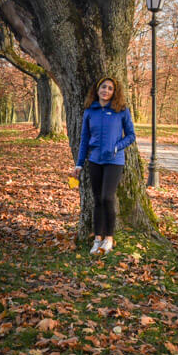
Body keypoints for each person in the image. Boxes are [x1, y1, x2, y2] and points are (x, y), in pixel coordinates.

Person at [72, 77, 135, 255]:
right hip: (95, 161)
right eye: (103, 87)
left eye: (110, 88)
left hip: (114, 161)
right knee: (97, 199)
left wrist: (116, 147)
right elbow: (84, 140)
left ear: (114, 92)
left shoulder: (121, 111)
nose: (106, 90)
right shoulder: (89, 112)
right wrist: (79, 164)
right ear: (97, 89)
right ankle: (97, 238)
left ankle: (109, 238)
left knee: (108, 197)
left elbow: (131, 135)